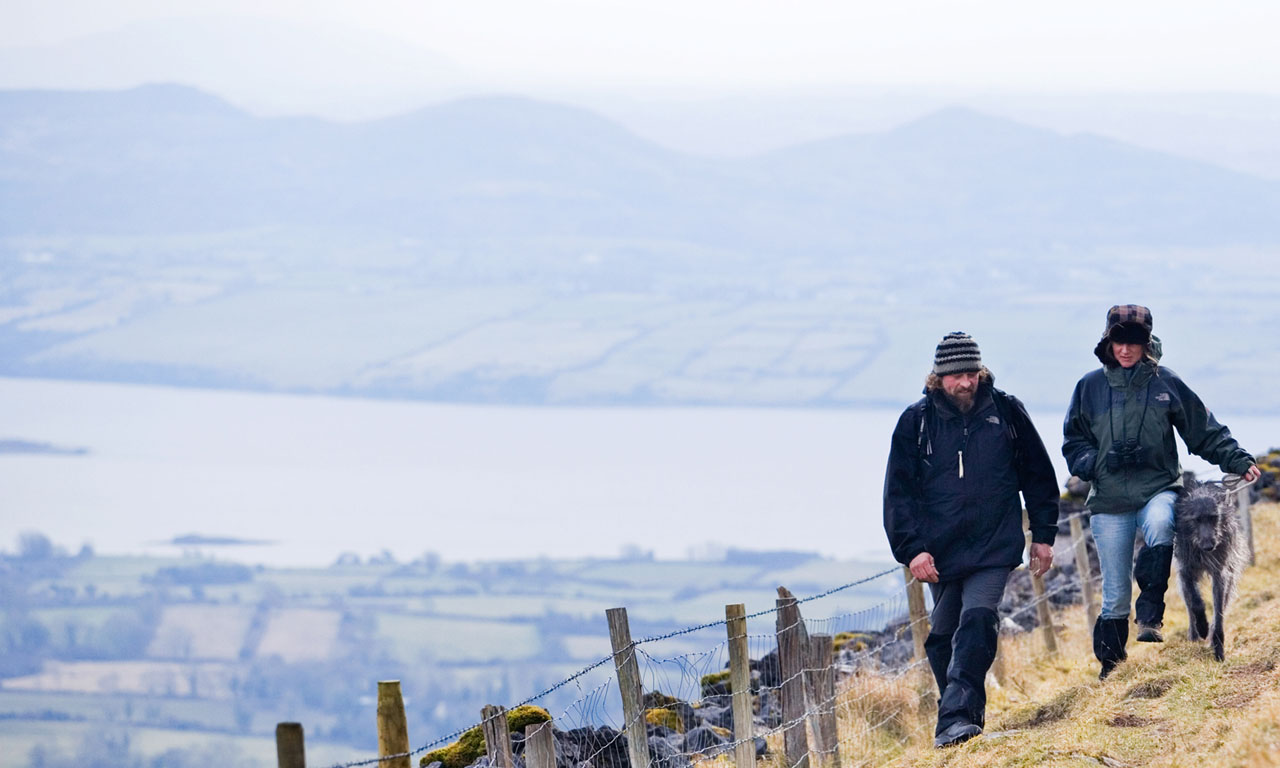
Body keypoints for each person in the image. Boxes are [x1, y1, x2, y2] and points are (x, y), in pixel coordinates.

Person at [1063, 305, 1261, 680]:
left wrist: (1237, 459)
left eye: (1134, 343)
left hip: (1157, 487)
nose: (1125, 350)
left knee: (1160, 522)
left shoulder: (1165, 383)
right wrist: (1093, 463)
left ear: (1146, 344)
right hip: (1108, 496)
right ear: (1108, 341)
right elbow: (1073, 442)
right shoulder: (1088, 387)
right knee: (1115, 592)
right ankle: (1111, 667)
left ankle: (1151, 615)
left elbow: (1203, 429)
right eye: (1118, 341)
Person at [884, 332, 1060, 748]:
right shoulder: (916, 422)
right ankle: (964, 720)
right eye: (956, 376)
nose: (965, 383)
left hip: (994, 546)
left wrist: (1043, 535)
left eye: (971, 374)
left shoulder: (1006, 412)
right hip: (940, 550)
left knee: (978, 618)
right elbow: (898, 494)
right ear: (938, 378)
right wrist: (912, 550)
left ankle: (955, 721)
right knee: (941, 638)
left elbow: (1038, 475)